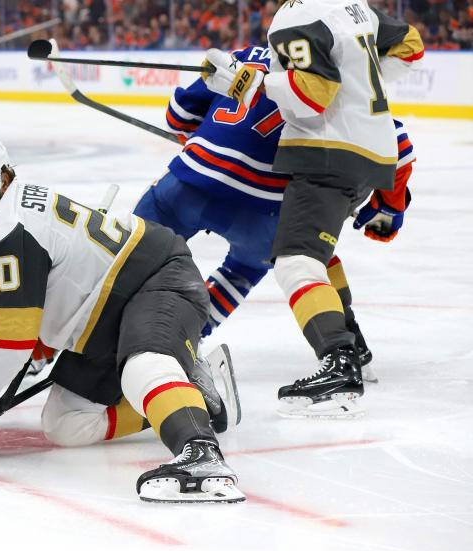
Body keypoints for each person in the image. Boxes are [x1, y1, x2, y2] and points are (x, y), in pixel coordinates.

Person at [0, 131, 244, 503]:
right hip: (102, 317)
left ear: (4, 177)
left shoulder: (9, 232)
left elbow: (10, 342)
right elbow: (29, 323)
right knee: (65, 425)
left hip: (154, 277)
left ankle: (200, 453)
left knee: (142, 366)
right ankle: (193, 397)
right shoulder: (13, 213)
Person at [137, 44, 416, 396]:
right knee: (254, 268)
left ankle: (64, 335)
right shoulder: (347, 85)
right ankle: (184, 340)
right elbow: (400, 149)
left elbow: (178, 116)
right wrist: (390, 210)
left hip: (190, 184)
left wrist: (201, 134)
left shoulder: (246, 55)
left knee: (126, 253)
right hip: (268, 210)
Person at [199, 0, 422, 417]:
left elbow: (315, 96)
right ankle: (352, 344)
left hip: (325, 153)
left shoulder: (295, 16)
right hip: (370, 153)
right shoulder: (355, 8)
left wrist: (254, 85)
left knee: (296, 262)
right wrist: (358, 77)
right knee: (318, 254)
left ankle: (338, 361)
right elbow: (411, 45)